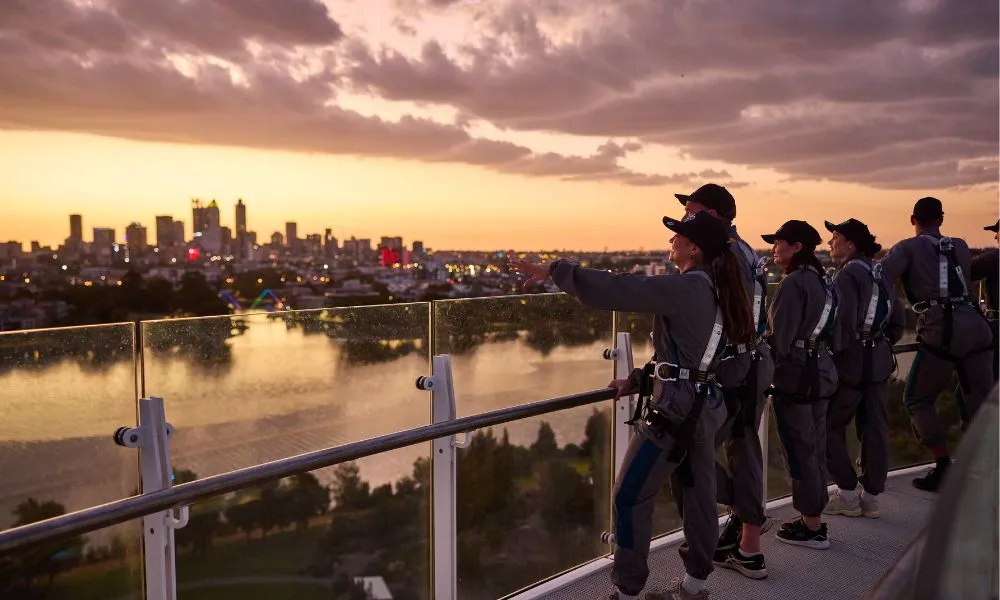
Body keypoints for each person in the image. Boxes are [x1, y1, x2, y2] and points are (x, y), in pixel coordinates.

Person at [511, 210, 757, 600]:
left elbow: (622, 288)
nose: (670, 242)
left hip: (675, 411)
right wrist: (643, 378)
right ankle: (695, 586)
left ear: (693, 248)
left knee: (629, 495)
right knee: (697, 495)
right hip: (704, 406)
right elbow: (700, 354)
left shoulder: (689, 287)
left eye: (677, 237)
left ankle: (627, 591)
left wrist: (556, 270)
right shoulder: (718, 286)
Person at [674, 184, 774, 580]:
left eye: (692, 212)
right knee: (744, 447)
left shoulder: (723, 254)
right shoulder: (746, 250)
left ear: (713, 217)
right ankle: (748, 541)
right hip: (751, 362)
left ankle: (744, 526)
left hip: (731, 366)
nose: (685, 220)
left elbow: (710, 314)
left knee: (683, 450)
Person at [877, 197, 994, 492]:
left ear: (912, 219)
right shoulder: (961, 245)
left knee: (917, 398)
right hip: (978, 327)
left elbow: (879, 280)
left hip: (944, 330)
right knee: (981, 400)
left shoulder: (905, 248)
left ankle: (943, 467)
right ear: (941, 220)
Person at [761, 220, 838, 549]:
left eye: (779, 243)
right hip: (822, 373)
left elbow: (779, 338)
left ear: (798, 247)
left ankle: (812, 525)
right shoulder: (823, 280)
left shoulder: (794, 284)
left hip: (798, 379)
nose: (774, 249)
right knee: (815, 447)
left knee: (800, 450)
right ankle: (814, 517)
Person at [822, 219, 904, 519]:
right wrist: (879, 344)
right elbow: (898, 323)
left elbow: (841, 323)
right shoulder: (879, 272)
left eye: (836, 237)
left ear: (851, 244)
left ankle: (845, 493)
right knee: (875, 430)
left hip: (852, 364)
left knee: (828, 426)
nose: (830, 243)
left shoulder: (846, 276)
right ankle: (871, 497)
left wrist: (835, 355)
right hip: (879, 361)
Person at [970, 219, 998, 382]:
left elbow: (967, 271)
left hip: (996, 330)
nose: (995, 238)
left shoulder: (995, 258)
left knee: (977, 385)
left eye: (997, 232)